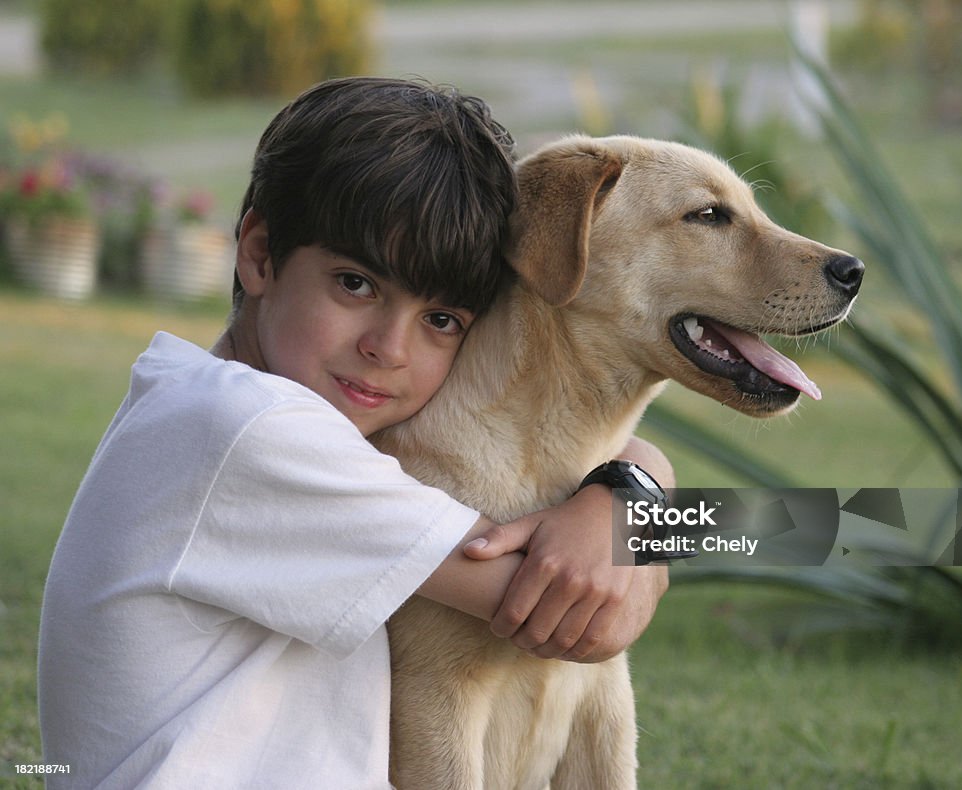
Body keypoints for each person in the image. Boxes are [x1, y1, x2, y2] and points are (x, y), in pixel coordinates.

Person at [37, 77, 671, 789]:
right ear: (259, 253)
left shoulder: (194, 398)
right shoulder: (253, 433)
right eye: (356, 284)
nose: (389, 348)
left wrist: (637, 474)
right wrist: (644, 497)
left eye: (441, 321)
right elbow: (581, 610)